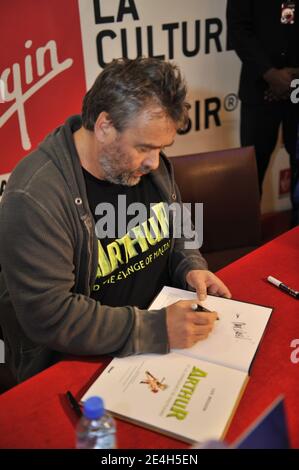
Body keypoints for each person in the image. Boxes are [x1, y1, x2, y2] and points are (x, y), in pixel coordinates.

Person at [0, 58, 231, 383]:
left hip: (161, 329)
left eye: (162, 148)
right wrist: (156, 328)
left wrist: (190, 264)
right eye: (145, 148)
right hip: (83, 361)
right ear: (105, 125)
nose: (155, 162)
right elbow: (49, 316)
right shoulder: (34, 195)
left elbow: (178, 226)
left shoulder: (142, 163)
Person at [227, 0, 299, 225]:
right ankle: (246, 236)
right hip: (258, 87)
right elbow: (238, 29)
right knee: (251, 169)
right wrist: (269, 73)